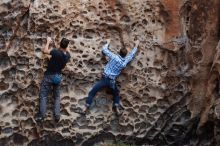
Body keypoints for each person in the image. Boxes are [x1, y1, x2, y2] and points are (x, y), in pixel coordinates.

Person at [83, 39, 140, 116]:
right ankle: (116, 107)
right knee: (116, 94)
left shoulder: (114, 57)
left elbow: (104, 50)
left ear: (119, 52)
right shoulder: (124, 62)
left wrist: (108, 42)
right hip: (111, 82)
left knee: (92, 92)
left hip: (104, 79)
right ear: (125, 55)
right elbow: (131, 55)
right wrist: (136, 45)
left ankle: (85, 109)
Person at [35, 37, 71, 122]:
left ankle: (42, 115)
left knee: (43, 95)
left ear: (60, 44)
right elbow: (67, 51)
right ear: (67, 46)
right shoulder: (67, 56)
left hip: (49, 75)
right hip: (58, 77)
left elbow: (45, 51)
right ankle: (57, 115)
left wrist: (48, 41)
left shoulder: (55, 52)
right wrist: (66, 46)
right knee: (57, 97)